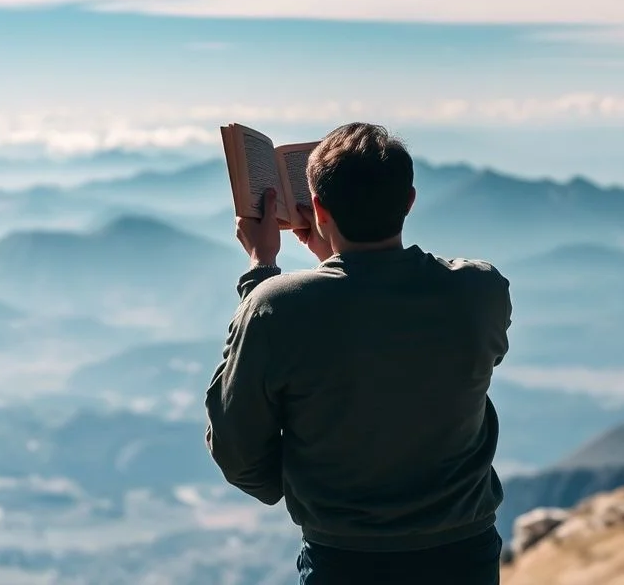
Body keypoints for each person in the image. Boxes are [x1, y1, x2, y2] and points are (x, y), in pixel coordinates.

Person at [204, 122, 513, 585]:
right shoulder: (481, 290)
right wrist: (338, 262)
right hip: (464, 554)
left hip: (345, 560)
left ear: (319, 208)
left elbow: (237, 448)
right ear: (409, 201)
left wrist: (261, 270)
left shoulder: (276, 307)